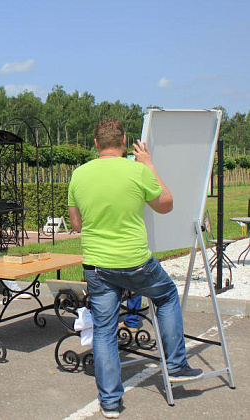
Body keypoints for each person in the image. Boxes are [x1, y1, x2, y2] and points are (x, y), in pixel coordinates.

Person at [67, 119, 203, 418]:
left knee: (103, 331)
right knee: (166, 296)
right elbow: (166, 204)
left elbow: (76, 225)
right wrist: (149, 164)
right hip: (134, 260)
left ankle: (110, 403)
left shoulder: (78, 174)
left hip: (97, 264)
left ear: (95, 143)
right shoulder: (136, 170)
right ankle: (177, 363)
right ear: (125, 141)